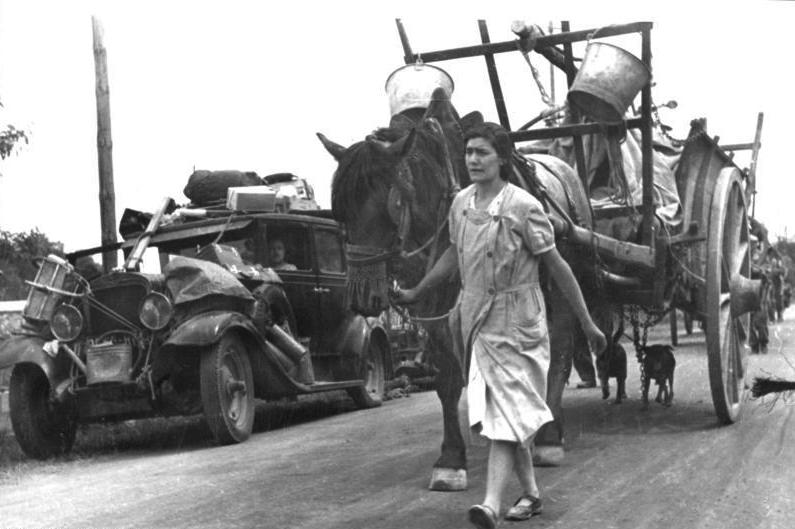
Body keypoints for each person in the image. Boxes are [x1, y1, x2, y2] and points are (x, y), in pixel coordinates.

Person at [393, 122, 606, 529]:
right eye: (469, 152)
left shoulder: (524, 207)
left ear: (502, 158)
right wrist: (417, 290)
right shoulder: (460, 204)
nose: (472, 159)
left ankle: (490, 503)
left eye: (482, 152)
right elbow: (454, 256)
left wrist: (588, 324)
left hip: (519, 323)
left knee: (503, 415)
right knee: (502, 412)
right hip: (475, 321)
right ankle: (530, 494)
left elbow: (557, 268)